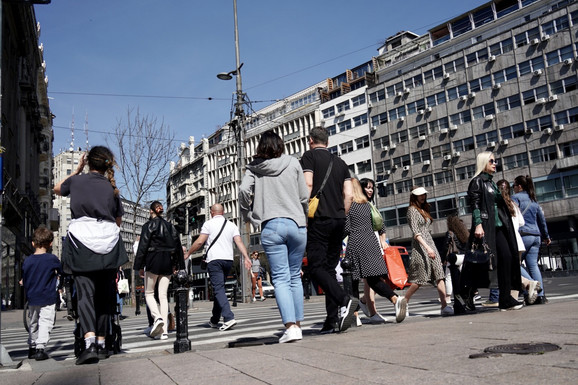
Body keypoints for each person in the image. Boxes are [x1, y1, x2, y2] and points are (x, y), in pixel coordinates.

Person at [54, 145, 128, 365]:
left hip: (81, 243)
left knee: (85, 294)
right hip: (108, 243)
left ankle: (90, 343)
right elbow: (118, 221)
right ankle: (104, 343)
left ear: (88, 161)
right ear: (107, 163)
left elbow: (57, 188)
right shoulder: (112, 188)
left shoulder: (76, 181)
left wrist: (76, 170)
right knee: (106, 295)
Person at [239, 130, 309, 343]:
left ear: (260, 147)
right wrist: (301, 214)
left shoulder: (255, 168)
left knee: (280, 278)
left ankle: (290, 327)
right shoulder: (293, 163)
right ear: (280, 145)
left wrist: (248, 214)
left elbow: (243, 190)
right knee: (295, 276)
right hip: (297, 224)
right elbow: (304, 195)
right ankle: (297, 324)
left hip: (272, 225)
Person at [300, 126, 357, 334]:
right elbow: (349, 194)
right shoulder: (340, 163)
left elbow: (308, 184)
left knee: (315, 267)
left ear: (310, 140)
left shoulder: (308, 157)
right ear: (328, 142)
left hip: (319, 218)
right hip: (339, 219)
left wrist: (304, 214)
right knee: (330, 269)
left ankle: (344, 300)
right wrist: (342, 213)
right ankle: (331, 320)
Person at [463, 152, 522, 312]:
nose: (495, 164)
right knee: (480, 264)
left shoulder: (492, 183)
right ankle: (466, 293)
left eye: (495, 161)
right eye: (491, 161)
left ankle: (505, 298)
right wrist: (478, 225)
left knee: (507, 258)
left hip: (500, 226)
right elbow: (475, 205)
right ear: (483, 163)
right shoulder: (477, 182)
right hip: (486, 227)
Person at [345, 178, 407, 323]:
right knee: (373, 279)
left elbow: (347, 228)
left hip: (356, 242)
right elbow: (379, 224)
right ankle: (394, 298)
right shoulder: (367, 205)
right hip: (371, 243)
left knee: (353, 280)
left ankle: (355, 317)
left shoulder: (349, 206)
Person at [185, 203, 251, 331]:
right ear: (223, 211)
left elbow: (199, 242)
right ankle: (214, 320)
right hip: (228, 260)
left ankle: (228, 317)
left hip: (215, 260)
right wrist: (246, 257)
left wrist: (188, 253)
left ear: (211, 212)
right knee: (218, 289)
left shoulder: (208, 224)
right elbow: (239, 242)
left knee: (218, 288)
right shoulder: (232, 225)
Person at [134, 201, 184, 341]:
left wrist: (139, 266)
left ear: (151, 211)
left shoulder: (148, 226)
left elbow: (143, 246)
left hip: (153, 260)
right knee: (163, 296)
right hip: (167, 261)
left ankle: (157, 318)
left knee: (149, 293)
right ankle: (165, 331)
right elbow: (177, 247)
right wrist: (177, 265)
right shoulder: (170, 226)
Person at [403, 186, 454, 316]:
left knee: (439, 274)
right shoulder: (412, 210)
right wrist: (427, 247)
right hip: (420, 246)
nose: (423, 196)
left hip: (430, 243)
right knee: (420, 279)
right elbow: (416, 232)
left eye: (424, 194)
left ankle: (444, 306)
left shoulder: (423, 209)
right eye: (420, 195)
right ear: (414, 196)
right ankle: (403, 301)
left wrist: (431, 247)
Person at [22, 226, 63, 361]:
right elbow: (62, 272)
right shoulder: (52, 259)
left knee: (33, 322)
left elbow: (25, 278)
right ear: (50, 244)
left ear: (33, 243)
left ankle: (32, 347)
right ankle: (40, 348)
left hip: (32, 297)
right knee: (46, 321)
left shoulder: (27, 260)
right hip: (47, 296)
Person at [512, 175, 551, 304]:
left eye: (514, 186)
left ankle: (531, 286)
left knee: (514, 264)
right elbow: (542, 220)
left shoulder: (516, 198)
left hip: (523, 235)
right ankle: (541, 295)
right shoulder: (533, 200)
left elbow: (513, 214)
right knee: (533, 265)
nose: (513, 189)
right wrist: (546, 236)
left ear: (519, 186)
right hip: (536, 236)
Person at [356, 178, 384, 323]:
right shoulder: (358, 204)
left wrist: (383, 241)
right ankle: (373, 312)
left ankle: (363, 301)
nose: (370, 190)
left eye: (372, 188)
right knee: (370, 278)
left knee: (374, 278)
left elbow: (381, 225)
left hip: (374, 242)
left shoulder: (371, 205)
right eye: (367, 187)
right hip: (363, 242)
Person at [444, 214, 469, 304]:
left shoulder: (450, 233)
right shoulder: (464, 233)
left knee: (448, 277)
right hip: (464, 257)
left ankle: (448, 297)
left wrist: (444, 259)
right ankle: (466, 296)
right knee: (463, 277)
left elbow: (446, 247)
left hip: (454, 257)